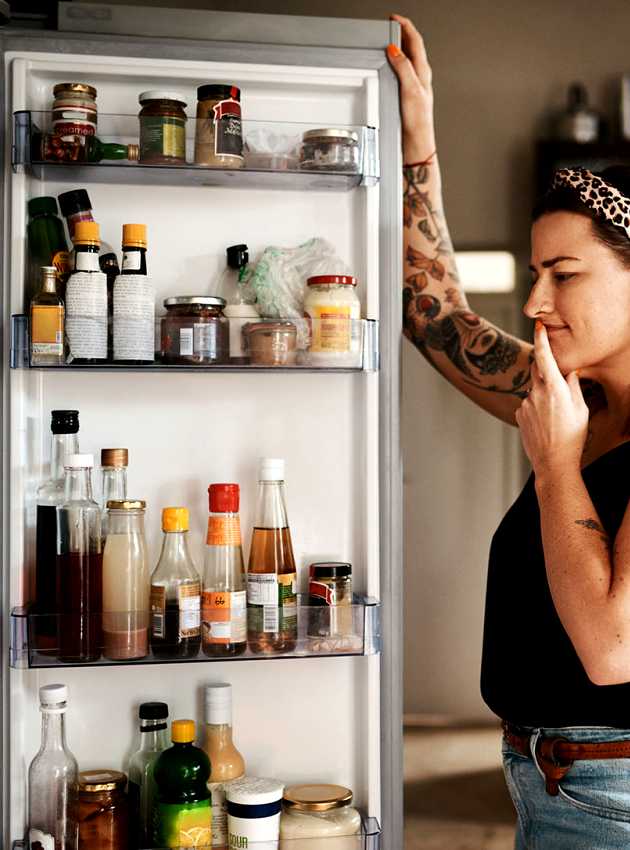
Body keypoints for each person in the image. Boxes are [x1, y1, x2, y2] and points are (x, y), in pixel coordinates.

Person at [387, 14, 630, 850]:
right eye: (535, 273)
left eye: (564, 275)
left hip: (614, 795)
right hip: (545, 782)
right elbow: (435, 317)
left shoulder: (562, 422)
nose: (535, 302)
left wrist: (557, 462)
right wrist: (419, 144)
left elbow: (612, 646)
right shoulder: (567, 392)